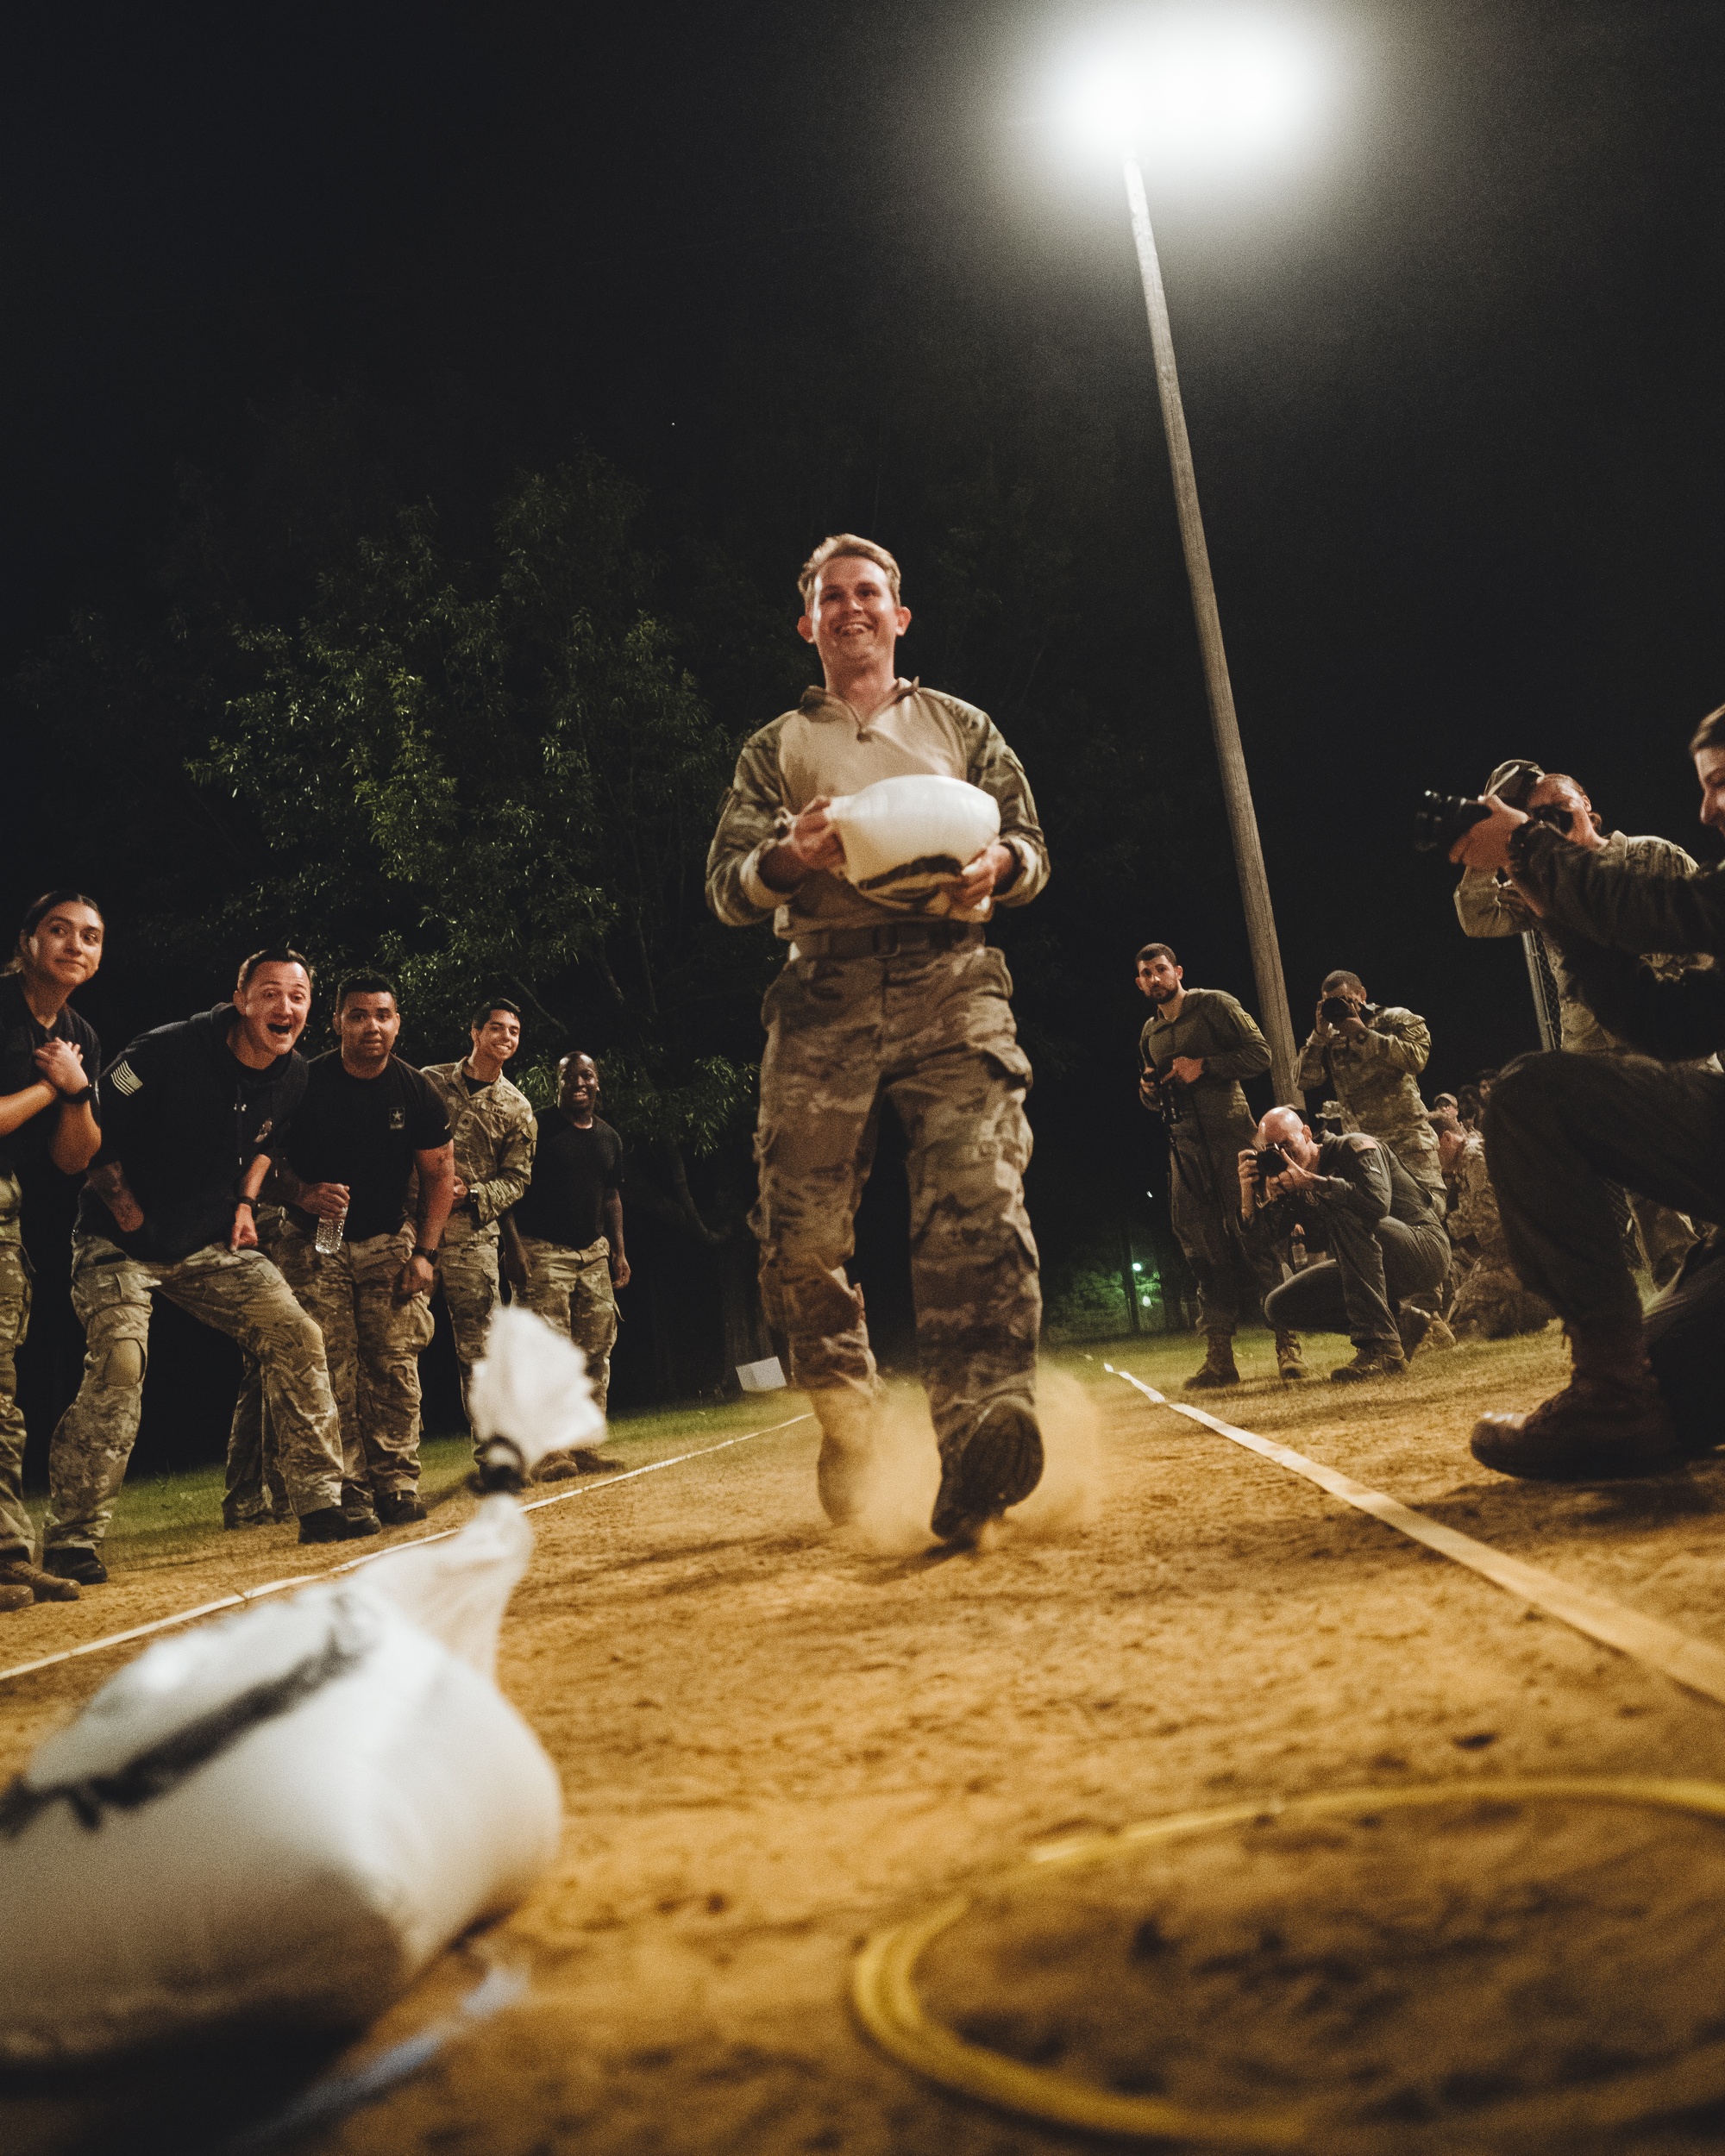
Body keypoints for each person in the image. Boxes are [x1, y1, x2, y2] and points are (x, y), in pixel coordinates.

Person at [705, 532, 1049, 1543]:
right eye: (829, 596)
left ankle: (981, 1431)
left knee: (976, 1197)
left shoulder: (961, 726)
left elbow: (1029, 842)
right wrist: (783, 856)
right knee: (799, 1242)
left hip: (954, 979)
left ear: (900, 616)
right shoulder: (773, 749)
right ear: (805, 622)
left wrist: (1003, 870)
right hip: (822, 988)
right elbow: (725, 889)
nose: (850, 608)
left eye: (868, 593)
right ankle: (851, 1417)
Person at [1447, 701, 1725, 1476]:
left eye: (1723, 783)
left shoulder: (1660, 867)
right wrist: (1550, 901)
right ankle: (1614, 1390)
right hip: (1672, 1100)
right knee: (1666, 1384)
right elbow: (1673, 1023)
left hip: (1688, 1095)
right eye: (1704, 787)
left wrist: (1534, 847)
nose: (1706, 808)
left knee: (1537, 1098)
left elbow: (1673, 912)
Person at [43, 948, 360, 1582]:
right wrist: (127, 1208)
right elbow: (87, 1134)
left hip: (206, 1245)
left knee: (298, 1334)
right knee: (120, 1362)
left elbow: (265, 1144)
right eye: (270, 993)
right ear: (241, 999)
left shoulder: (293, 1074)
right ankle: (71, 1540)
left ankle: (322, 1503)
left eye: (297, 997)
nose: (285, 1007)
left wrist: (245, 1202)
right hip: (117, 1244)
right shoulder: (161, 1053)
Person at [1455, 761, 1709, 1288]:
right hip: (1597, 1045)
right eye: (1535, 819)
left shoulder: (1650, 855)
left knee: (1708, 1152)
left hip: (1673, 1032)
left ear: (1590, 812)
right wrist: (1492, 837)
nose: (1547, 826)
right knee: (1648, 1185)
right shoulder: (1539, 883)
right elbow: (1476, 917)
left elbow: (1704, 937)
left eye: (1558, 812)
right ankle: (1680, 1283)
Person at [270, 973, 455, 1527]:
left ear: (397, 1022)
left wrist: (425, 1253)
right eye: (358, 1015)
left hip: (386, 1240)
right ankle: (347, 1489)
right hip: (317, 1240)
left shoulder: (416, 1089)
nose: (371, 1026)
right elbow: (261, 1158)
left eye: (382, 1015)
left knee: (394, 1364)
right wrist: (302, 1191)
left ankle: (396, 1482)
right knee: (330, 1368)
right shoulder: (302, 1081)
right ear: (337, 1021)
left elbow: (440, 1175)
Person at [0, 892, 106, 1608]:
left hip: (5, 1217)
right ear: (28, 941)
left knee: (3, 1398)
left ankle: (8, 1558)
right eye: (60, 930)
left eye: (91, 936)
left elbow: (77, 1158)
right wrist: (52, 1085)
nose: (75, 944)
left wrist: (77, 1093)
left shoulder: (79, 1034)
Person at [1135, 944, 1303, 1386]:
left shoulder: (1214, 1005)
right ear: (1139, 983)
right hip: (1186, 1155)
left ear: (1178, 971)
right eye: (1146, 974)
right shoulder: (1149, 1033)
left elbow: (1260, 1054)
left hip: (1234, 1142)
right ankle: (1219, 1359)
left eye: (1160, 970)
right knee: (1203, 1257)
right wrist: (1149, 1092)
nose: (1155, 978)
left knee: (1260, 1244)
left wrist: (1205, 1066)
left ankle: (1288, 1347)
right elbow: (1156, 1095)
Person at [1243, 1106, 1452, 1381]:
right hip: (1366, 1263)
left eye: (1286, 1145)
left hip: (1424, 1249)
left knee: (1344, 1213)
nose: (1282, 1156)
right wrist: (1249, 1198)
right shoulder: (1291, 1182)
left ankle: (1382, 1349)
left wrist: (1315, 1183)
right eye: (1271, 1153)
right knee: (1279, 1306)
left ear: (1307, 1133)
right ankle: (1403, 1323)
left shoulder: (1354, 1148)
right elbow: (1261, 1248)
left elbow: (1376, 1205)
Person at [421, 1000, 536, 1426]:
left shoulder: (516, 1107)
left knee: (482, 1350)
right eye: (497, 1028)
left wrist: (472, 1194)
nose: (506, 1037)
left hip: (473, 1237)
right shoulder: (428, 1082)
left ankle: (495, 1456)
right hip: (414, 1233)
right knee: (395, 1341)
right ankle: (389, 1472)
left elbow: (517, 1179)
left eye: (514, 1031)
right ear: (475, 1032)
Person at [510, 1050, 629, 1420]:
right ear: (557, 1083)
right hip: (542, 1252)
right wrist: (513, 1248)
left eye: (587, 1075)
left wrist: (619, 1252)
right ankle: (550, 1451)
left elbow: (611, 1197)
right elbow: (510, 1191)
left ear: (597, 1081)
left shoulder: (609, 1138)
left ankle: (585, 1444)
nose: (579, 1083)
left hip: (593, 1254)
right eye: (569, 1076)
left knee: (595, 1352)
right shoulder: (536, 1129)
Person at [1295, 971, 1446, 1213]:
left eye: (1344, 999)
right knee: (1382, 1226)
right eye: (1330, 1002)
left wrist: (1361, 1034)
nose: (1339, 1006)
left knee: (1427, 1215)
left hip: (1408, 1144)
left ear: (1362, 994)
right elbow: (1304, 1080)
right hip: (1365, 1153)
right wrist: (1319, 1034)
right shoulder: (1329, 1039)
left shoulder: (1394, 1019)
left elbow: (1416, 1059)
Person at [1437, 1119, 1552, 1340]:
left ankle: (1541, 1302)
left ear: (1448, 1138)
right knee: (1463, 1307)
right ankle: (1534, 1306)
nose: (1434, 1158)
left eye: (1435, 1149)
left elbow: (1488, 1221)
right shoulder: (1470, 1158)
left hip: (1521, 1253)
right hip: (1522, 1248)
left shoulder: (1472, 1156)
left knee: (1467, 1306)